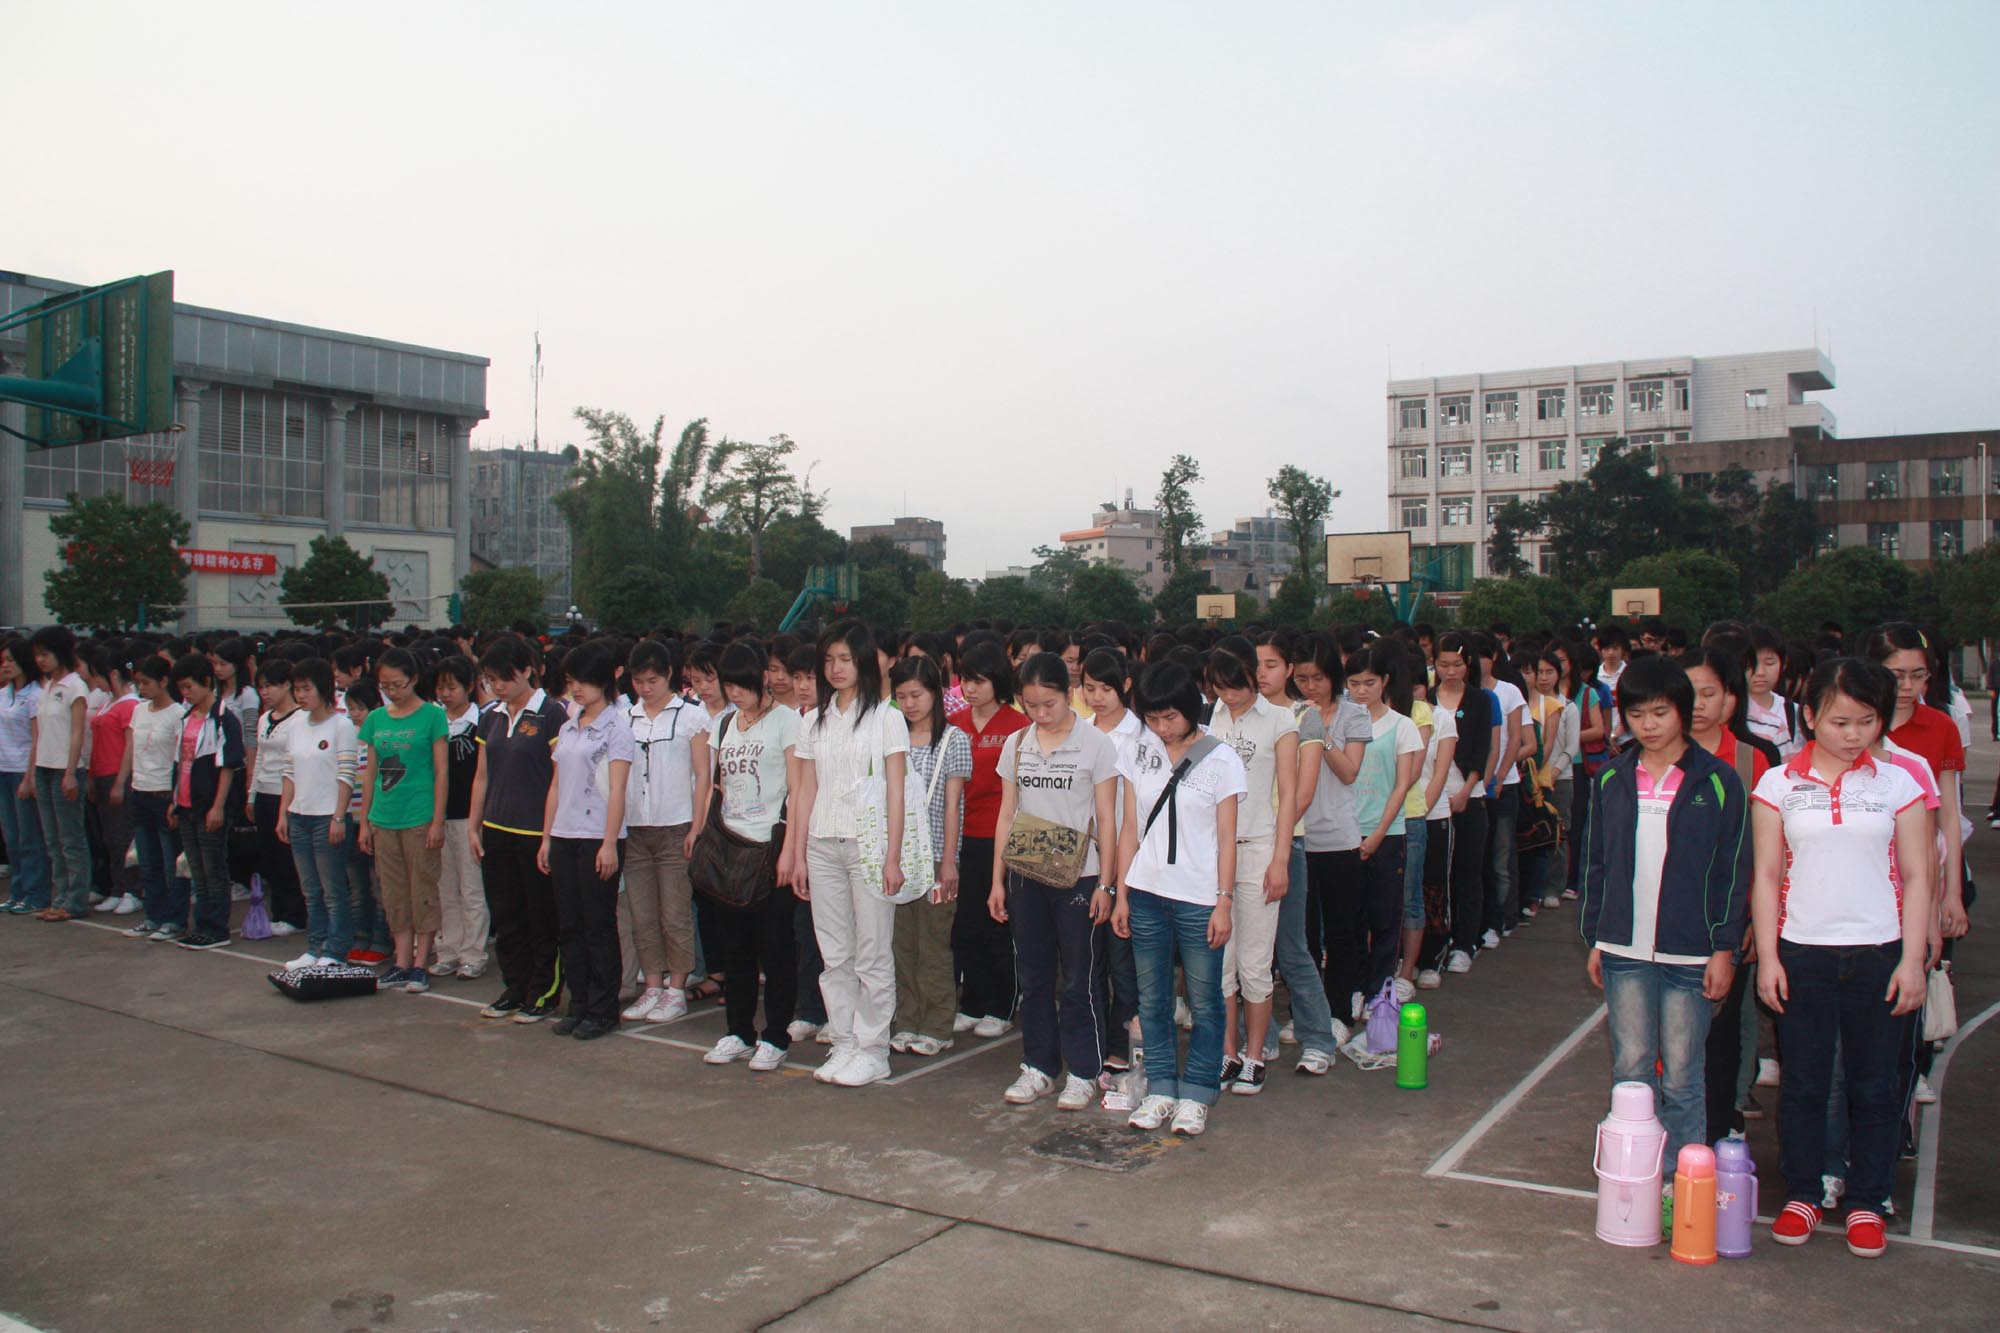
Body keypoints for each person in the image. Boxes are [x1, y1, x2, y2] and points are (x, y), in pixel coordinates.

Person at [1752, 658, 1931, 1259]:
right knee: (1803, 1084)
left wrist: (1912, 960)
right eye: (1839, 721)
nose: (1853, 734)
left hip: (1879, 955)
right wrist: (1770, 959)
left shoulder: (1897, 783)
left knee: (1875, 1087)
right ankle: (1803, 1192)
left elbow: (1916, 874)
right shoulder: (1777, 784)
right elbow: (1767, 874)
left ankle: (1867, 1200)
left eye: (1866, 721)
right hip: (1803, 954)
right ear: (1809, 717)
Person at [1580, 655, 1752, 1191]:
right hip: (1624, 950)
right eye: (1636, 714)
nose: (1648, 724)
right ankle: (1634, 1175)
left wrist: (1724, 948)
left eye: (1660, 711)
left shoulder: (1719, 781)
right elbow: (1597, 863)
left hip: (1691, 953)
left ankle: (1683, 1181)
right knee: (1631, 1068)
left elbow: (1733, 870)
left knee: (1682, 1074)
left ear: (1684, 711)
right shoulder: (1610, 776)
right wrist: (1597, 938)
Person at [1113, 661, 1247, 1138]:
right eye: (1152, 718)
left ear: (1190, 709)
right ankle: (1160, 1090)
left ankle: (1198, 1093)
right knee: (1152, 1001)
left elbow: (1228, 839)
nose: (1161, 727)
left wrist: (1224, 902)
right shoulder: (1137, 751)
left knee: (1207, 1001)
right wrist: (1121, 892)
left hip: (1198, 898)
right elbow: (1130, 827)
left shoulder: (1221, 758)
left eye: (1169, 717)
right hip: (1146, 892)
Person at [783, 621, 911, 1089]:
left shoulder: (886, 717)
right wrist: (796, 853)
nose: (836, 668)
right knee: (834, 953)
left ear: (863, 661)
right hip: (821, 844)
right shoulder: (813, 718)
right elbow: (803, 790)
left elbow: (896, 791)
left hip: (869, 847)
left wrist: (892, 856)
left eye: (845, 659)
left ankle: (873, 1048)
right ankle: (843, 1041)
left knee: (872, 952)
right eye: (829, 660)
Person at [989, 651, 1119, 1109]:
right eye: (1031, 705)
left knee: (1079, 978)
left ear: (1071, 695)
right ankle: (1039, 1065)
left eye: (1050, 704)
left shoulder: (1096, 745)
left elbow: (1106, 817)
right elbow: (1007, 814)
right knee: (1034, 974)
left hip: (1079, 876)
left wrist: (1106, 884)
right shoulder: (1018, 743)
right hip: (1027, 872)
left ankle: (1085, 1070)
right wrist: (996, 881)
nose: (1041, 714)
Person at [697, 640, 803, 1071]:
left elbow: (798, 790)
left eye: (742, 685)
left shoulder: (786, 723)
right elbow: (715, 785)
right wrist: (698, 832)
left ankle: (776, 1035)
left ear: (762, 679)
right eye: (729, 686)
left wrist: (791, 853)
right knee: (736, 949)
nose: (735, 693)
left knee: (775, 950)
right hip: (728, 850)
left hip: (769, 847)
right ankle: (738, 1031)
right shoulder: (724, 726)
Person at [1206, 644, 1298, 1094]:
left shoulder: (1282, 720)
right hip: (1216, 852)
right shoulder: (1214, 717)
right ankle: (1227, 1051)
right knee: (1221, 961)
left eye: (1236, 686)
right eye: (1220, 689)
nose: (1229, 696)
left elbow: (1289, 796)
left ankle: (1255, 1056)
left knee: (1255, 965)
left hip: (1261, 847)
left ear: (1252, 676)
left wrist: (1280, 858)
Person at [469, 636, 570, 1023]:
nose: (498, 686)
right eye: (492, 679)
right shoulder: (491, 714)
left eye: (505, 678)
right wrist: (474, 824)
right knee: (508, 915)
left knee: (541, 915)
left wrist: (548, 836)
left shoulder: (552, 713)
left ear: (528, 670)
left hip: (534, 831)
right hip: (497, 827)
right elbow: (482, 775)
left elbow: (559, 777)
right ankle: (515, 986)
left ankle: (544, 991)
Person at [539, 642, 634, 1040]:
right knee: (570, 925)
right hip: (564, 835)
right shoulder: (567, 724)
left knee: (598, 925)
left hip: (598, 836)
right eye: (571, 681)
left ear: (604, 680)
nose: (575, 688)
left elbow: (618, 791)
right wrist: (546, 839)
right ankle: (578, 1004)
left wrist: (609, 843)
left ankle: (602, 1007)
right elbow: (556, 786)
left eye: (583, 681)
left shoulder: (618, 727)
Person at [1288, 633, 1369, 1069]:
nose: (1309, 687)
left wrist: (1318, 733)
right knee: (1300, 934)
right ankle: (1304, 1012)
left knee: (1339, 931)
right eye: (1301, 678)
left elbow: (1350, 771)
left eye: (1317, 678)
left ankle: (1338, 1011)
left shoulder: (1353, 715)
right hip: (1296, 835)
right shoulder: (1287, 711)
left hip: (1337, 835)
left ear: (1333, 676)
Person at [888, 655, 971, 1059]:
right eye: (901, 696)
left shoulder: (953, 739)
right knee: (901, 944)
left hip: (936, 857)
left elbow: (954, 806)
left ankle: (938, 1025)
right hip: (897, 859)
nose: (909, 704)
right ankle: (906, 1020)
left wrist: (950, 862)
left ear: (936, 693)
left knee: (934, 943)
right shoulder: (892, 738)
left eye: (916, 694)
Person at [357, 648, 449, 992]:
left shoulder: (432, 717)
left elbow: (441, 772)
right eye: (385, 686)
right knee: (393, 891)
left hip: (418, 815)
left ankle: (421, 963)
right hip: (384, 816)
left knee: (422, 888)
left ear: (413, 680)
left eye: (398, 684)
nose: (392, 691)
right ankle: (400, 961)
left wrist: (437, 819)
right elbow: (370, 774)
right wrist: (364, 821)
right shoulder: (376, 719)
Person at [950, 641, 1029, 1038]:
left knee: (997, 921)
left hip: (999, 836)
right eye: (965, 679)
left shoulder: (1017, 726)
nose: (970, 687)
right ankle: (973, 1000)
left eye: (979, 680)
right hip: (960, 836)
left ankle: (1001, 1003)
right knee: (965, 924)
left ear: (997, 681)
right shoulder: (955, 723)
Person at [620, 638, 702, 1023]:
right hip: (636, 828)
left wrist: (696, 827)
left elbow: (704, 777)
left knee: (675, 913)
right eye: (639, 681)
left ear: (669, 675)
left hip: (676, 827)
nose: (645, 688)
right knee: (642, 913)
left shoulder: (691, 717)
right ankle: (652, 984)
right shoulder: (626, 719)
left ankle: (676, 988)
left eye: (653, 680)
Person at [1080, 647, 1146, 1070]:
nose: (1097, 697)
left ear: (1125, 685)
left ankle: (1124, 1040)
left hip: (1127, 860)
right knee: (1087, 958)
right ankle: (1093, 1038)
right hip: (1082, 860)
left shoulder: (1142, 738)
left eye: (1106, 688)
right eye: (1089, 688)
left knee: (1123, 959)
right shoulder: (1078, 731)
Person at [1346, 645, 1423, 1007]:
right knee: (1351, 918)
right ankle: (1356, 987)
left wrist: (1377, 834)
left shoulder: (1402, 726)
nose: (1362, 690)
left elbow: (1402, 785)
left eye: (1370, 682)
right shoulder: (1340, 722)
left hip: (1387, 833)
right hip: (1343, 834)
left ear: (1385, 682)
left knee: (1385, 917)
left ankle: (1379, 990)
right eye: (1355, 683)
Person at [275, 658, 359, 969]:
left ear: (323, 689)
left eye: (306, 688)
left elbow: (346, 774)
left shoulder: (342, 725)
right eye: (296, 689)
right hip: (300, 815)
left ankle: (336, 950)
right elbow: (289, 771)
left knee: (333, 890)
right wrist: (284, 813)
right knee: (310, 889)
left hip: (328, 817)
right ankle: (314, 946)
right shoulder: (296, 723)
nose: (300, 695)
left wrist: (339, 816)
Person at [165, 652, 245, 949]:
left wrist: (218, 806)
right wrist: (174, 801)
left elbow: (228, 765)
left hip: (208, 803)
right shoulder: (187, 718)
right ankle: (201, 923)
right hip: (186, 802)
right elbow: (180, 762)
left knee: (213, 868)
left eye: (190, 687)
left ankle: (217, 927)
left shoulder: (224, 719)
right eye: (182, 688)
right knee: (195, 868)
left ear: (207, 683)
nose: (186, 694)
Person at [113, 654, 184, 939]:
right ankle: (153, 915)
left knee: (170, 863)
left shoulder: (178, 714)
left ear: (164, 681)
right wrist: (122, 781)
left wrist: (176, 798)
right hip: (140, 791)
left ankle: (174, 919)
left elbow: (180, 759)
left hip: (164, 792)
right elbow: (131, 748)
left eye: (147, 683)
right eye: (138, 683)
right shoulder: (139, 711)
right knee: (147, 860)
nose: (141, 688)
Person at [430, 655, 489, 980]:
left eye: (452, 687)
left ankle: (473, 953)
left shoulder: (481, 721)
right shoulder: (435, 721)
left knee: (472, 888)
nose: (445, 693)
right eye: (441, 687)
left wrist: (477, 822)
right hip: (440, 815)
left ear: (469, 686)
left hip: (469, 817)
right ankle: (448, 949)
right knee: (445, 887)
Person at [29, 627, 92, 922]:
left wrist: (70, 772)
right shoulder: (47, 685)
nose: (40, 660)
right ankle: (61, 896)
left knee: (71, 839)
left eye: (45, 654)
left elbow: (78, 732)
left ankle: (75, 900)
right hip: (43, 767)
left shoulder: (75, 686)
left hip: (65, 770)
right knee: (53, 838)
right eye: (37, 655)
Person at [244, 660, 305, 937]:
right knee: (269, 857)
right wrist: (252, 794)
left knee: (286, 858)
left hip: (287, 795)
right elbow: (260, 759)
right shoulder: (263, 718)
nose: (265, 692)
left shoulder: (299, 719)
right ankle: (278, 910)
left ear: (287, 686)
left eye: (270, 686)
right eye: (261, 687)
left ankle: (293, 913)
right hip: (265, 794)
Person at [83, 649, 141, 915]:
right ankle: (117, 887)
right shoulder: (109, 702)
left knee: (122, 837)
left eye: (99, 676)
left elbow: (130, 744)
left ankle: (130, 889)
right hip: (102, 773)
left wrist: (120, 781)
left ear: (114, 674)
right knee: (108, 836)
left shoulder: (129, 704)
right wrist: (94, 777)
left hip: (118, 774)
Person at [0, 640, 50, 915]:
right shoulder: (3, 693)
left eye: (10, 660)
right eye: (3, 660)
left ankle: (36, 892)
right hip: (2, 769)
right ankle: (18, 891)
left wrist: (29, 777)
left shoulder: (34, 695)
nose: (5, 665)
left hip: (22, 769)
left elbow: (36, 738)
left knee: (29, 836)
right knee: (11, 836)